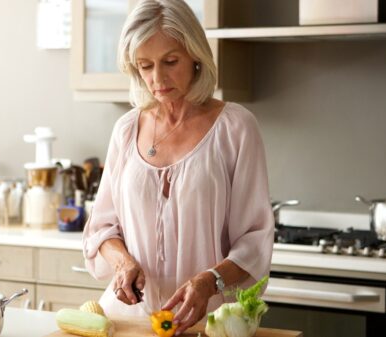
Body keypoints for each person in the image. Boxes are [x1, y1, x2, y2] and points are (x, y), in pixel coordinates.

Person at [82, 0, 274, 334]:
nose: (157, 78)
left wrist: (208, 282)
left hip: (209, 323)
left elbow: (255, 240)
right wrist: (122, 262)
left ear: (195, 56)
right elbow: (101, 228)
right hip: (130, 322)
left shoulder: (236, 128)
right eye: (145, 66)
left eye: (170, 61)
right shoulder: (126, 130)